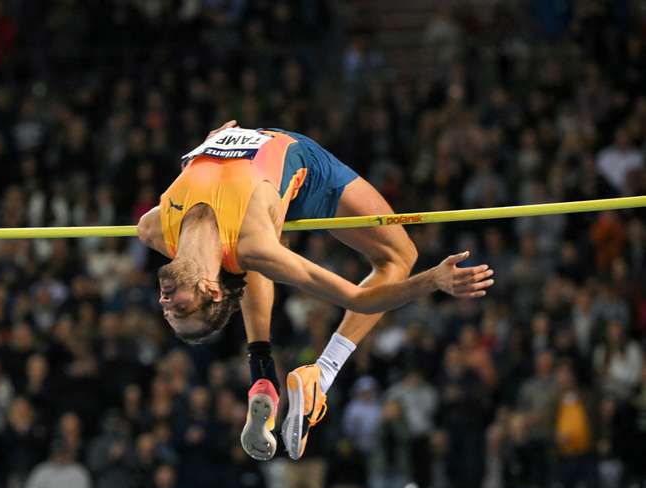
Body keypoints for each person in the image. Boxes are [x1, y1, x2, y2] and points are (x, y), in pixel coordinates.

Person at [137, 122, 494, 461]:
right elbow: (357, 299)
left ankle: (262, 375)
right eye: (182, 311)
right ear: (211, 291)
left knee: (244, 257)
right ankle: (320, 377)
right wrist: (432, 280)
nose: (166, 305)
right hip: (307, 172)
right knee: (400, 257)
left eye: (169, 313)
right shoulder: (253, 245)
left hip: (253, 201)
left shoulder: (153, 229)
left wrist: (206, 146)